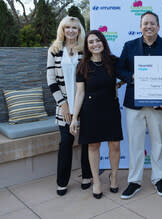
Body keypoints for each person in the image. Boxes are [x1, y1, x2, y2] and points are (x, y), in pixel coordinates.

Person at [116, 11, 162, 199]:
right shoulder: (129, 46)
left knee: (158, 143)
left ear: (158, 26)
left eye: (152, 23)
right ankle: (134, 181)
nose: (148, 26)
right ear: (140, 26)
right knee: (135, 144)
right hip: (135, 104)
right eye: (145, 23)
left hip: (159, 105)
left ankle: (158, 178)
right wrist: (131, 77)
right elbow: (119, 69)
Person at [70, 30, 123, 199]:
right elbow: (79, 93)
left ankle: (113, 176)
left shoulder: (113, 61)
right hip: (90, 110)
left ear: (103, 42)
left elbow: (128, 74)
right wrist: (74, 118)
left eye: (98, 41)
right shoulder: (82, 65)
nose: (95, 44)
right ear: (87, 46)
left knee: (114, 145)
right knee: (93, 146)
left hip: (111, 109)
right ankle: (96, 181)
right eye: (91, 42)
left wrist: (119, 84)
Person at [46, 16, 92, 196]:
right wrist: (63, 104)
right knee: (66, 143)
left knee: (86, 142)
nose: (71, 30)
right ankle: (62, 181)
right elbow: (50, 80)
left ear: (79, 30)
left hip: (85, 104)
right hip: (64, 107)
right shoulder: (54, 50)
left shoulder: (85, 50)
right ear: (62, 30)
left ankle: (87, 176)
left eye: (75, 27)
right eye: (68, 27)